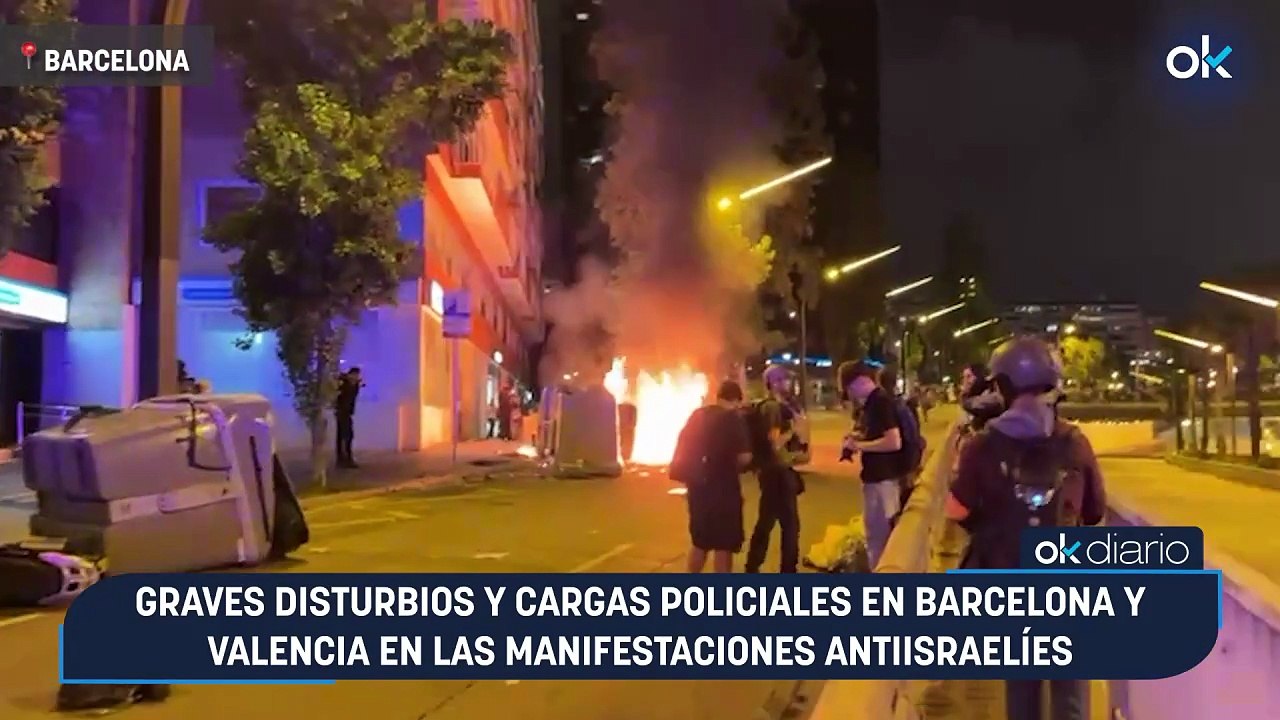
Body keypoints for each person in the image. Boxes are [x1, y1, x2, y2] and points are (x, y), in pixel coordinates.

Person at [944, 337, 1106, 720]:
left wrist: (989, 525)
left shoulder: (982, 445)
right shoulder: (1074, 441)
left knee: (1021, 689)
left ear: (1003, 386)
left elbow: (955, 508)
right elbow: (1095, 512)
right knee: (1070, 694)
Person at [671, 380, 754, 573]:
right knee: (723, 546)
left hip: (697, 489)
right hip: (724, 491)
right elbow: (744, 457)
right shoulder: (733, 419)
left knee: (700, 542)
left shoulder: (697, 415)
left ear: (718, 396)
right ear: (736, 400)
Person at [838, 360, 904, 570]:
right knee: (878, 540)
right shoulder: (876, 402)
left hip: (881, 481)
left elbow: (894, 441)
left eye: (848, 390)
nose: (851, 396)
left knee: (878, 542)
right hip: (882, 480)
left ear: (857, 383)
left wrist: (859, 445)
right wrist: (858, 437)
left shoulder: (879, 402)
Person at [744, 364, 805, 574]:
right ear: (775, 383)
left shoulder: (775, 406)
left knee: (767, 521)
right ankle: (787, 570)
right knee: (789, 526)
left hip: (771, 472)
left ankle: (753, 566)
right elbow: (775, 442)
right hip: (777, 473)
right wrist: (794, 430)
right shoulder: (772, 408)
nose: (788, 383)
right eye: (785, 380)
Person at [334, 367, 363, 469]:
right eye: (354, 375)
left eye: (357, 375)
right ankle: (344, 459)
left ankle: (344, 458)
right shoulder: (343, 383)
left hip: (347, 413)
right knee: (345, 435)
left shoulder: (354, 385)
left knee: (347, 435)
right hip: (341, 412)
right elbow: (336, 393)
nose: (356, 377)